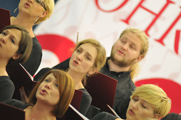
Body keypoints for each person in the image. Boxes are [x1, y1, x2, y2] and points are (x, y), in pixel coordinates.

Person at [34, 27, 149, 119]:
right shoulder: (82, 59)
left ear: (139, 58)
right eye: (123, 41)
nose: (124, 47)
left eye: (132, 47)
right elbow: (48, 77)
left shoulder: (132, 94)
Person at [34, 38, 107, 115]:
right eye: (78, 51)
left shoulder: (83, 98)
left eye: (87, 57)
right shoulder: (46, 73)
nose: (79, 57)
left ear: (92, 70)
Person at [3, 69, 75, 119]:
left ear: (64, 97)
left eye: (56, 85)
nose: (48, 85)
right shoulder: (12, 105)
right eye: (46, 80)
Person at [11, 0, 55, 76]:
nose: (30, 0)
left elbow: (17, 81)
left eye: (38, 1)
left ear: (43, 13)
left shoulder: (34, 49)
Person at [91, 84, 171, 120]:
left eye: (143, 106)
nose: (134, 105)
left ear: (155, 117)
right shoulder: (104, 117)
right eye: (135, 99)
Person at [0, 25, 32, 102]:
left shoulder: (6, 86)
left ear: (16, 55)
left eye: (12, 41)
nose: (3, 39)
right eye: (4, 33)